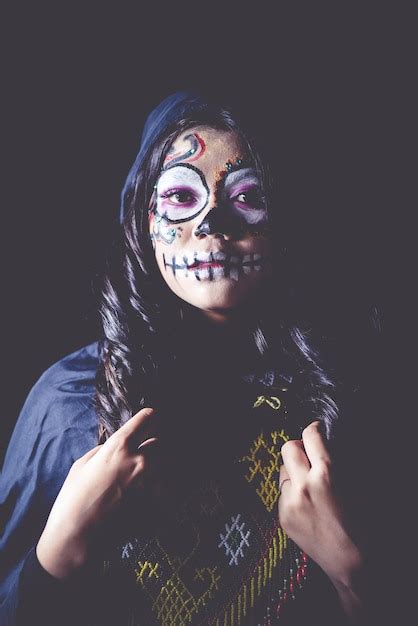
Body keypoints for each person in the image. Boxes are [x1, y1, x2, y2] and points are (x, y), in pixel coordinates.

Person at [1, 90, 384, 625]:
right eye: (182, 197)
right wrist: (57, 558)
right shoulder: (69, 401)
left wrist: (356, 576)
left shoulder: (346, 393)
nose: (212, 225)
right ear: (140, 217)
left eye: (248, 196)